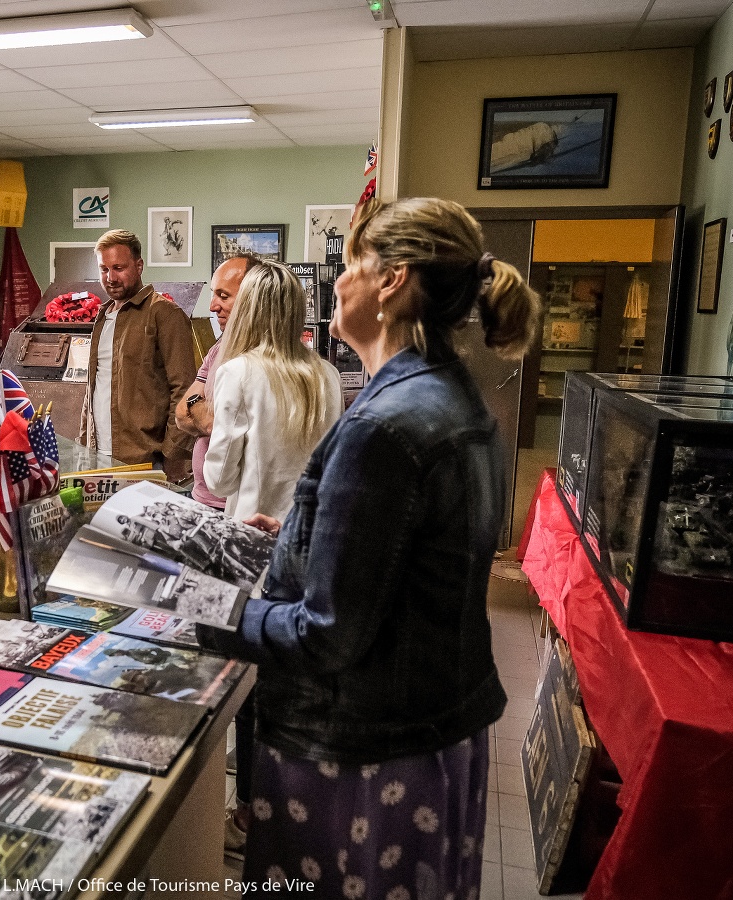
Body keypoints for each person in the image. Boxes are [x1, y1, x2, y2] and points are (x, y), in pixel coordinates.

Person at [199, 196, 540, 900]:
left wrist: (201, 613)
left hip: (366, 753)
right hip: (432, 730)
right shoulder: (453, 399)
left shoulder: (384, 425)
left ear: (393, 280)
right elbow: (403, 562)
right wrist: (300, 536)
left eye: (353, 263)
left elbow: (327, 634)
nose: (339, 282)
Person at [202, 260, 342, 522]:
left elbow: (219, 480)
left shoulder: (237, 372)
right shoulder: (329, 375)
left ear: (246, 309)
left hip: (254, 530)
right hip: (307, 527)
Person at [79, 230, 197, 478]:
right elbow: (96, 387)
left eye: (118, 268)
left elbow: (184, 388)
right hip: (98, 455)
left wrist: (172, 455)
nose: (110, 277)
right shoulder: (102, 316)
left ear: (139, 265)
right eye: (104, 269)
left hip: (147, 460)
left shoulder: (164, 314)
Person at [175, 253, 259, 510]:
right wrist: (201, 407)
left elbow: (214, 423)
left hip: (233, 506)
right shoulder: (219, 348)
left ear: (251, 297)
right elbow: (181, 413)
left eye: (223, 296)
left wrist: (200, 408)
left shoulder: (258, 356)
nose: (212, 306)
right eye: (213, 294)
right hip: (201, 498)